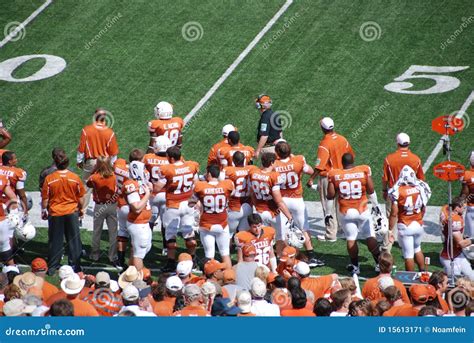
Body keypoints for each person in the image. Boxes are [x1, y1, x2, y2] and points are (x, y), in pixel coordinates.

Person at [327, 153, 381, 274]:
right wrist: (376, 206)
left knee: (351, 238)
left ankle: (355, 267)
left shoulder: (335, 174)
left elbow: (330, 196)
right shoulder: (364, 171)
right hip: (362, 210)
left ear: (342, 162)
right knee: (370, 236)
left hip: (345, 212)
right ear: (353, 161)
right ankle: (379, 264)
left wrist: (328, 213)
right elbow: (371, 190)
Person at [274, 141, 323, 266]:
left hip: (282, 200)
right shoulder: (299, 160)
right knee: (304, 228)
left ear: (277, 152)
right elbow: (311, 171)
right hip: (297, 200)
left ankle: (282, 257)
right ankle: (311, 256)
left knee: (281, 232)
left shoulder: (274, 164)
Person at [307, 117, 354, 242]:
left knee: (328, 206)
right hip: (342, 176)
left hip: (328, 178)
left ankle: (330, 234)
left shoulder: (324, 143)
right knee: (340, 204)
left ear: (322, 128)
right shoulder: (342, 139)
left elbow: (319, 165)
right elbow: (350, 156)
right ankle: (341, 228)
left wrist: (311, 179)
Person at [155, 146, 199, 272]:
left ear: (171, 158)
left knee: (170, 234)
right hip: (188, 204)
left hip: (173, 205)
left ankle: (170, 262)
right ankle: (193, 260)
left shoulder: (168, 169)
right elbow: (196, 183)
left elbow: (158, 187)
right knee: (188, 233)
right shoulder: (191, 165)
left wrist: (148, 185)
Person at [41, 150, 85, 275]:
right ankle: (75, 266)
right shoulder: (74, 178)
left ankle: (52, 267)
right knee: (74, 240)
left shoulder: (49, 179)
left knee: (55, 240)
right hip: (71, 212)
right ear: (67, 163)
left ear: (55, 163)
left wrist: (44, 210)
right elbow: (80, 198)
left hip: (55, 213)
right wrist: (81, 210)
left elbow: (45, 199)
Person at [382, 133, 425, 252]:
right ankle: (404, 243)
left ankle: (387, 247)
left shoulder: (389, 159)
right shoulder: (416, 159)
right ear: (409, 143)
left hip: (394, 193)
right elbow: (421, 179)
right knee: (407, 218)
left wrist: (384, 190)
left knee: (391, 219)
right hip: (411, 194)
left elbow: (385, 178)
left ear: (397, 143)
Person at [388, 165, 431, 271]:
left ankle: (409, 278)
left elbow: (394, 213)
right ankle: (422, 272)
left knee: (408, 255)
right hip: (418, 223)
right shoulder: (420, 188)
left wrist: (390, 229)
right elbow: (423, 208)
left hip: (405, 225)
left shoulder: (398, 191)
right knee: (417, 248)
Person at [192, 164, 234, 268]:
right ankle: (230, 276)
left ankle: (209, 279)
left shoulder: (200, 186)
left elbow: (191, 202)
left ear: (209, 174)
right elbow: (231, 194)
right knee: (225, 254)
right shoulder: (227, 184)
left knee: (209, 255)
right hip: (222, 224)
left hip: (206, 225)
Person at [77, 108, 119, 210]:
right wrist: (112, 165)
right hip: (105, 162)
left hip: (91, 162)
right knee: (107, 185)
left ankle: (81, 214)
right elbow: (113, 153)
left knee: (86, 188)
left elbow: (81, 149)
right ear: (105, 118)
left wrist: (79, 161)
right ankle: (107, 209)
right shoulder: (110, 132)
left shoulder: (86, 130)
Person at [86, 156, 118, 266]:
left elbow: (88, 183)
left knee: (97, 231)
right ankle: (112, 256)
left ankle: (95, 255)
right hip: (112, 205)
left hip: (100, 206)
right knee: (113, 232)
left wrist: (94, 169)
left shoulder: (94, 177)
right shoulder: (114, 176)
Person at [123, 149, 152, 271]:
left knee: (139, 249)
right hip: (138, 223)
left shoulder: (141, 181)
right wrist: (147, 194)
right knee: (139, 253)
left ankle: (130, 273)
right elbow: (136, 208)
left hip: (143, 223)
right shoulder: (131, 184)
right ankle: (138, 281)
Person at [249, 152, 293, 231]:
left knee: (265, 239)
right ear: (272, 163)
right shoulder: (274, 176)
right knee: (281, 239)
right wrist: (289, 217)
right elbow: (279, 201)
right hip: (273, 212)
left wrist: (256, 205)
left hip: (260, 212)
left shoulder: (253, 173)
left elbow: (252, 193)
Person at [143, 136, 172, 253]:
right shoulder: (172, 159)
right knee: (166, 222)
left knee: (150, 221)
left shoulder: (148, 158)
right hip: (166, 194)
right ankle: (165, 247)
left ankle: (146, 244)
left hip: (152, 194)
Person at [220, 151, 256, 234]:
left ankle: (228, 246)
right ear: (244, 160)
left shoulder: (228, 170)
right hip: (248, 206)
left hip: (234, 206)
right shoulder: (252, 169)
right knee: (243, 234)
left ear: (233, 161)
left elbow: (220, 182)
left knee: (228, 234)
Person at [439, 197, 474, 280]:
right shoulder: (455, 219)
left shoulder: (447, 210)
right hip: (449, 257)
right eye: (463, 208)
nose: (465, 210)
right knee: (455, 281)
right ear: (457, 207)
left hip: (457, 253)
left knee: (471, 277)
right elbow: (461, 243)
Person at [113, 158, 130, 270]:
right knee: (136, 233)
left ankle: (120, 260)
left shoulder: (118, 166)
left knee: (122, 231)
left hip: (121, 204)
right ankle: (135, 260)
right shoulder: (138, 172)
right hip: (133, 204)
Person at [254, 94, 282, 158]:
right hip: (278, 147)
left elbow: (264, 135)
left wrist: (258, 151)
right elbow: (280, 132)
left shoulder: (265, 117)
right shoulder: (275, 114)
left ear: (259, 105)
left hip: (269, 149)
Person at [461, 151, 474, 237]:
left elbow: (465, 194)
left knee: (471, 238)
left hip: (472, 209)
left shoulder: (467, 175)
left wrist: (461, 201)